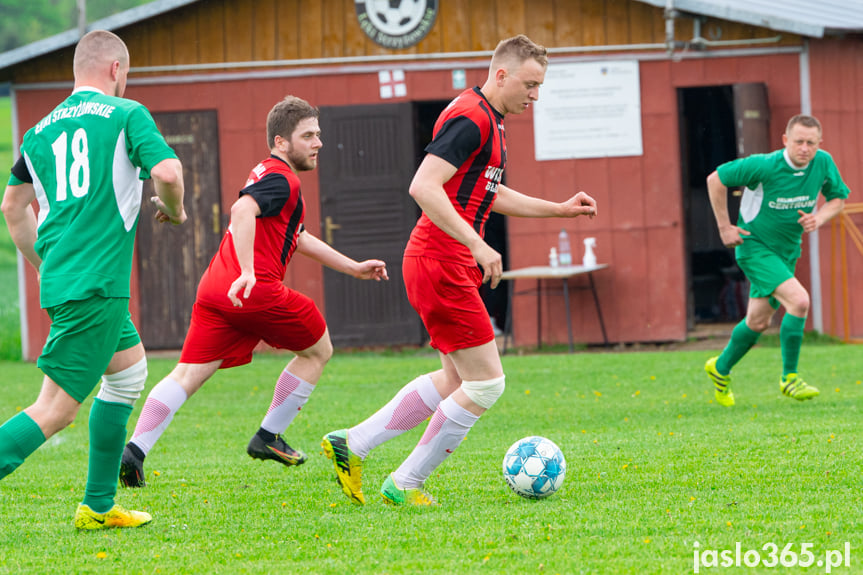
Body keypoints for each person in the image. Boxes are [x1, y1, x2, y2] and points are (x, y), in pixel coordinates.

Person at [321, 34, 597, 506]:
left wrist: (560, 210)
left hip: (443, 260)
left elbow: (490, 193)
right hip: (441, 259)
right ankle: (405, 483)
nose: (535, 95)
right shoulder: (472, 118)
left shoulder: (490, 119)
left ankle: (354, 443)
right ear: (501, 74)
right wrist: (476, 242)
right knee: (488, 383)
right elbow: (423, 186)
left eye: (540, 86)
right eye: (530, 84)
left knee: (455, 379)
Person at [118, 95, 388, 488]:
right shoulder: (283, 178)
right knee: (318, 349)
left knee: (188, 373)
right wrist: (248, 271)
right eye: (308, 135)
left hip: (216, 289)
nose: (318, 143)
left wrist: (352, 267)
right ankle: (268, 436)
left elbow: (296, 236)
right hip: (253, 288)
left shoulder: (267, 172)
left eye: (319, 134)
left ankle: (135, 452)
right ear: (281, 142)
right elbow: (242, 211)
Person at [0, 30, 186, 529]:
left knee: (126, 375)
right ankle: (97, 506)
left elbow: (12, 207)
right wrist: (177, 212)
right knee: (54, 410)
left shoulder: (37, 132)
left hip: (73, 281)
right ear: (116, 71)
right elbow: (168, 173)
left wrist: (45, 265)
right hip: (98, 286)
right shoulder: (126, 114)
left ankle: (99, 506)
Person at [704, 114, 849, 407]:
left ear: (819, 143)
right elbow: (715, 179)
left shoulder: (823, 163)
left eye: (811, 142)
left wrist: (818, 217)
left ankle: (720, 369)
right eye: (799, 141)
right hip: (754, 247)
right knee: (799, 301)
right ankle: (790, 378)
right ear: (786, 140)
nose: (805, 148)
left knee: (758, 322)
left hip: (786, 252)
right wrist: (724, 226)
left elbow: (838, 199)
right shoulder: (764, 165)